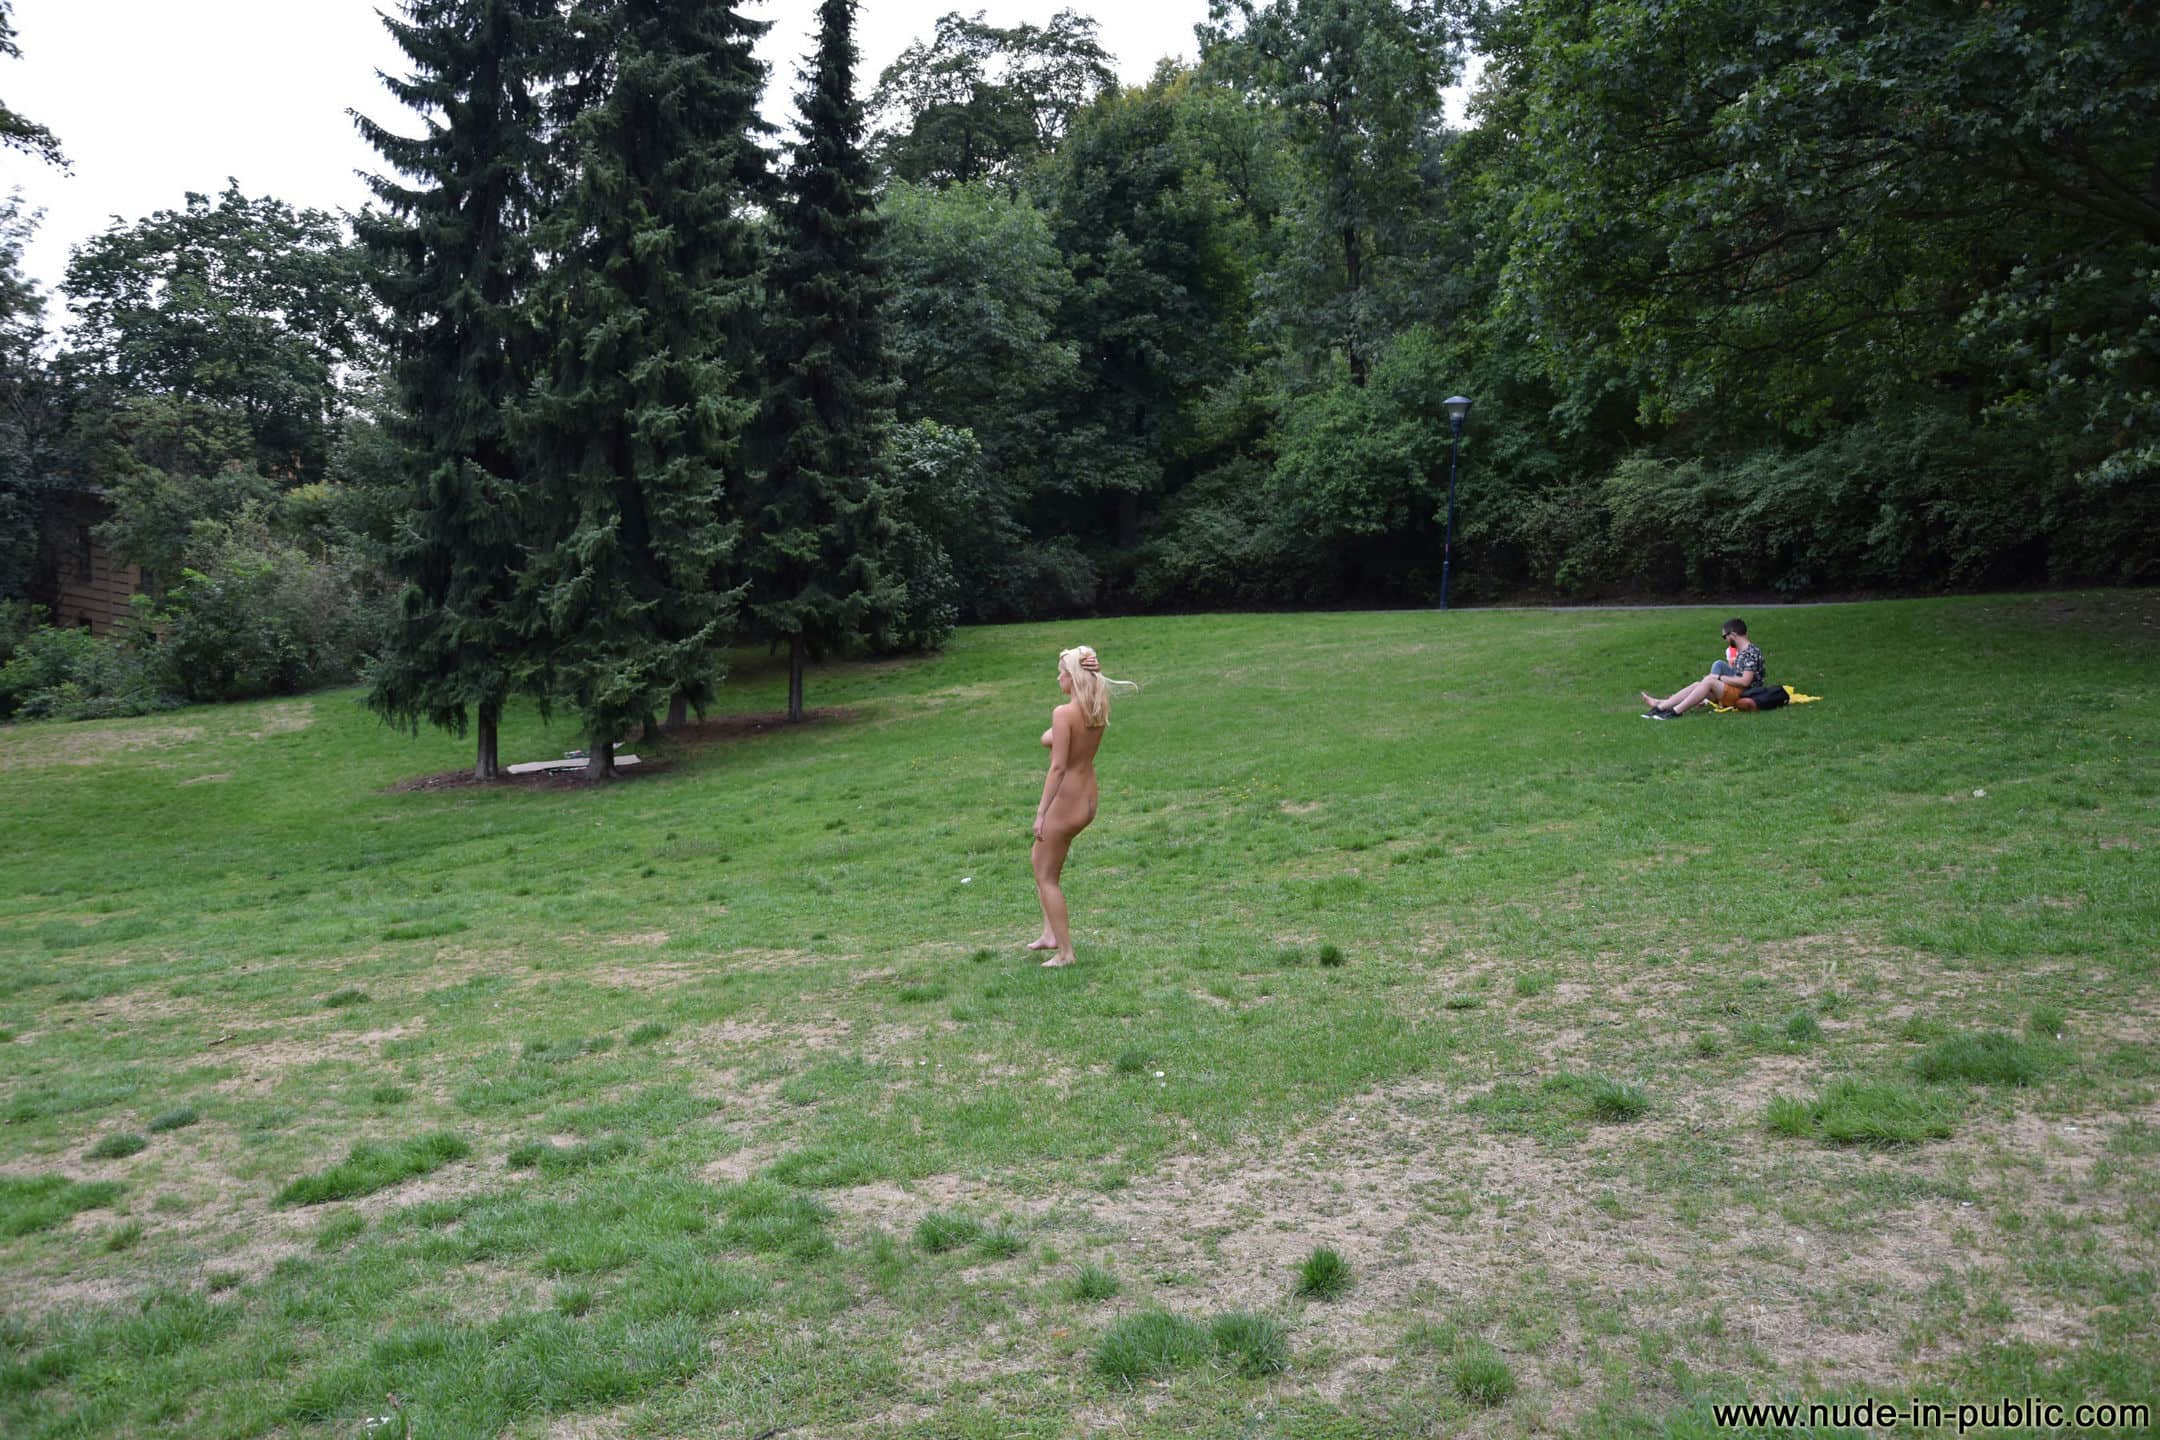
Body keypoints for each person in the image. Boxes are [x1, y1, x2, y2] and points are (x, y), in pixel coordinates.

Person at [1027, 645, 1134, 967]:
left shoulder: (1063, 714)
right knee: (1040, 860)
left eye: (1061, 673)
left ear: (1072, 677)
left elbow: (1058, 767)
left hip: (1066, 800)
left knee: (1046, 875)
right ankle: (1049, 934)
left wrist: (1041, 813)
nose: (1057, 678)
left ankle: (1065, 953)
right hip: (1087, 798)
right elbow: (1054, 739)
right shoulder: (1095, 707)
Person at [1641, 618, 1764, 718]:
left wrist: (1719, 678)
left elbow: (1745, 682)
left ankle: (1675, 711)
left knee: (1709, 681)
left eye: (1725, 636)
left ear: (1733, 635)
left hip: (1744, 695)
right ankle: (1660, 707)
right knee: (1699, 684)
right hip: (1736, 691)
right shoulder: (1743, 651)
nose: (1725, 640)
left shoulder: (1750, 652)